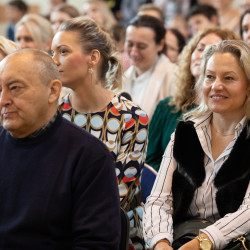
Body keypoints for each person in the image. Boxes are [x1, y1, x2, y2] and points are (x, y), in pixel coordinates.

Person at [0, 48, 121, 249]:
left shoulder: (89, 157)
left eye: (15, 88)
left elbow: (97, 244)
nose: (3, 100)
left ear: (53, 91)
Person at [51, 16, 148, 249]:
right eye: (52, 52)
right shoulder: (53, 113)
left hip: (115, 232)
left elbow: (116, 195)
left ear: (93, 58)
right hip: (57, 226)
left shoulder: (131, 117)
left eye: (63, 51)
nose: (53, 61)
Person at [143, 39, 250, 250]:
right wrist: (161, 242)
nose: (216, 85)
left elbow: (248, 212)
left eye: (228, 78)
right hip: (180, 238)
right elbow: (157, 201)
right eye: (209, 77)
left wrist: (204, 242)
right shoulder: (186, 131)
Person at [146, 28, 239, 172]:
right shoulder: (167, 106)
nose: (202, 56)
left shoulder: (227, 114)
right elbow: (150, 161)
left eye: (211, 50)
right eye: (200, 48)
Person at [123, 15, 176, 121]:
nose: (133, 52)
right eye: (130, 44)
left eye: (141, 46)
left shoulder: (174, 77)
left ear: (160, 44)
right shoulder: (122, 76)